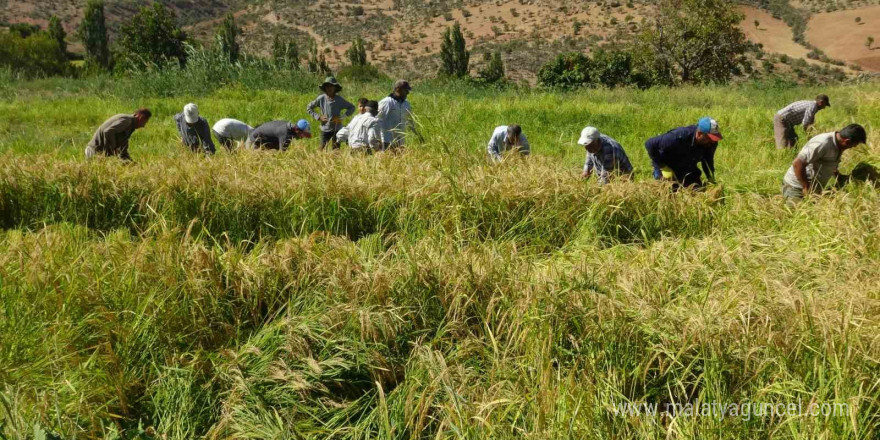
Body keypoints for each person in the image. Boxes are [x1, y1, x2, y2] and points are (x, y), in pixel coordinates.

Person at [781, 124, 867, 204]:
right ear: (847, 141)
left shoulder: (839, 145)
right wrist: (806, 187)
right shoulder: (822, 143)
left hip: (814, 189)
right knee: (796, 215)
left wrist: (839, 177)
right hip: (796, 187)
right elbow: (798, 163)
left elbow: (828, 163)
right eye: (853, 145)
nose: (853, 147)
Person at [644, 117, 722, 189]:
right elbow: (650, 144)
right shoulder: (678, 136)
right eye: (710, 138)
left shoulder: (711, 143)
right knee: (667, 192)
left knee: (696, 191)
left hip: (687, 166)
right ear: (699, 134)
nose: (712, 142)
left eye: (714, 139)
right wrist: (663, 167)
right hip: (668, 165)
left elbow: (707, 159)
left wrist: (710, 177)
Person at [306, 76, 356, 150]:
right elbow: (309, 107)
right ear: (325, 88)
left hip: (337, 128)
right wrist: (318, 117)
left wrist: (342, 117)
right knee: (321, 148)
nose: (329, 88)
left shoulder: (339, 100)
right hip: (325, 128)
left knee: (335, 149)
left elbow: (352, 107)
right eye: (327, 86)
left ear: (335, 88)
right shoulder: (321, 98)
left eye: (331, 86)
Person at [85, 108, 152, 161]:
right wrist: (113, 148)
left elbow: (122, 152)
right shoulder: (126, 121)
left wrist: (132, 164)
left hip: (99, 156)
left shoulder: (129, 127)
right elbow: (108, 132)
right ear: (141, 118)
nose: (143, 126)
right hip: (94, 153)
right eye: (144, 122)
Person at [377, 80, 421, 151]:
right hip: (387, 141)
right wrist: (377, 139)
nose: (408, 93)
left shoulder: (406, 104)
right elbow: (377, 120)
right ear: (398, 89)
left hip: (400, 142)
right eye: (405, 90)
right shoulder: (387, 102)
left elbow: (410, 121)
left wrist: (418, 136)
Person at [245, 119, 312, 151]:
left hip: (259, 141)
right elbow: (281, 155)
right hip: (252, 143)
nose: (303, 137)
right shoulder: (286, 134)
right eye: (303, 135)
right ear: (297, 130)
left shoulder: (289, 126)